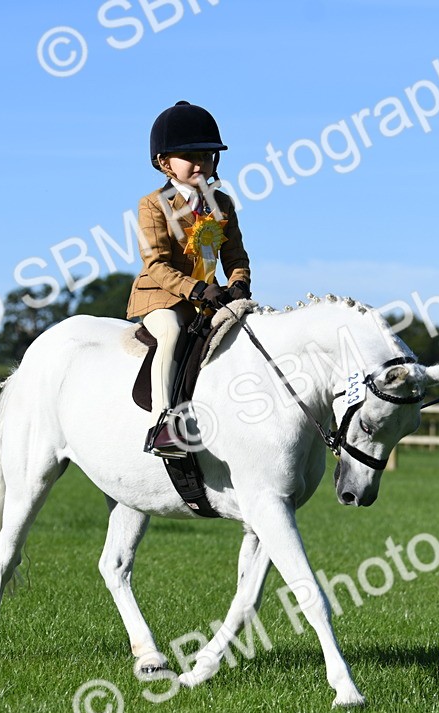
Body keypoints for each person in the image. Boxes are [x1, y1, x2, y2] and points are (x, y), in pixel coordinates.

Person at [126, 101, 252, 458]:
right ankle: (164, 424)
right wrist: (197, 288)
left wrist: (239, 283)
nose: (200, 163)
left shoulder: (221, 203)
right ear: (165, 163)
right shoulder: (153, 204)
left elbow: (235, 256)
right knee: (171, 332)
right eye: (189, 156)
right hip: (162, 296)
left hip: (211, 298)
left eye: (207, 155)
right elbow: (156, 264)